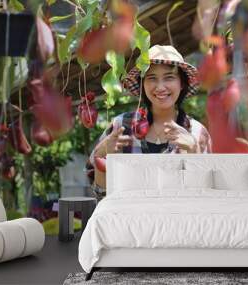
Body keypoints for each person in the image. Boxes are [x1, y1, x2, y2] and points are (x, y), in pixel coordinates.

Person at [89, 45, 212, 199]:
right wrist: (101, 155)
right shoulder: (121, 127)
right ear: (142, 84)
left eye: (169, 77)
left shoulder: (197, 132)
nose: (160, 87)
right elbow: (102, 195)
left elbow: (205, 198)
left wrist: (195, 152)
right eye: (152, 78)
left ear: (182, 84)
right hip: (129, 220)